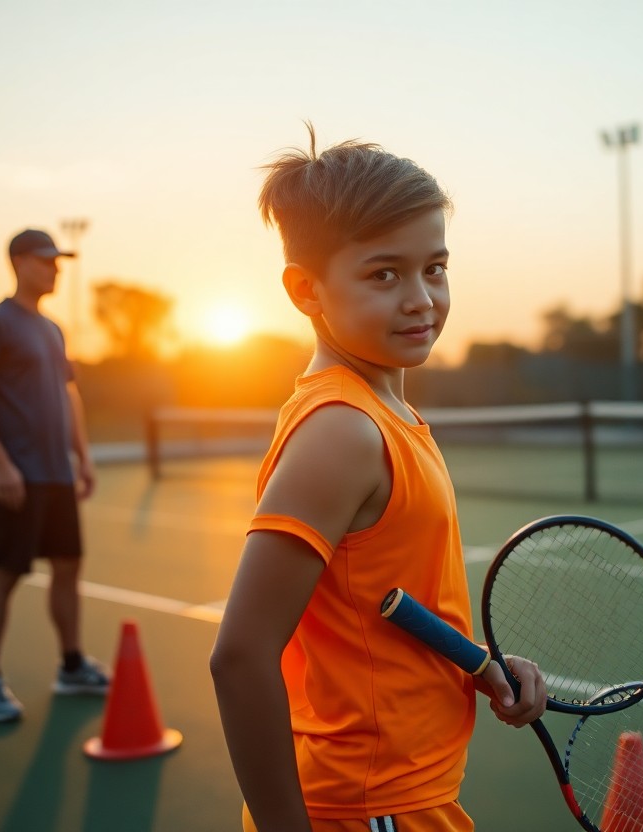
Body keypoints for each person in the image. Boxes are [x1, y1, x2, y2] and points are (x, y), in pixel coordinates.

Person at [209, 128, 548, 832]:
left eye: (436, 267)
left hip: (403, 797)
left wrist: (481, 664)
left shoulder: (385, 414)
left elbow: (386, 606)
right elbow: (240, 656)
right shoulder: (343, 432)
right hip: (367, 809)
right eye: (384, 274)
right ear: (307, 290)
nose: (421, 297)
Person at [0, 228, 110, 723]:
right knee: (6, 571)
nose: (55, 269)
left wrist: (82, 457)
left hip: (55, 475)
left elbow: (69, 396)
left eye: (58, 262)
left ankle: (70, 666)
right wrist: (0, 463)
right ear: (19, 262)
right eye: (47, 261)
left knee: (68, 566)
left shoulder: (53, 329)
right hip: (14, 476)